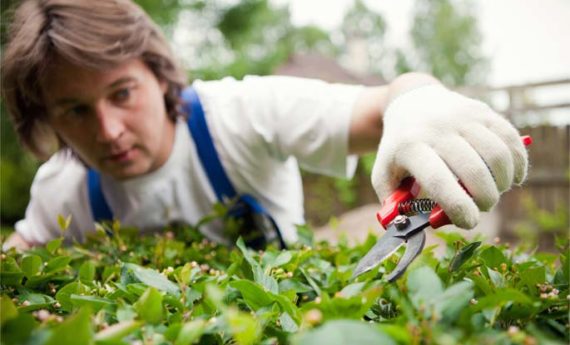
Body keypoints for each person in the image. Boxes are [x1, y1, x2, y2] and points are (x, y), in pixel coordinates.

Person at [1, 0, 528, 251]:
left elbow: (383, 100)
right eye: (74, 111)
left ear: (158, 76)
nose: (109, 130)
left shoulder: (243, 113)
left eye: (122, 94)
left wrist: (417, 101)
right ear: (46, 118)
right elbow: (21, 256)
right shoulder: (61, 190)